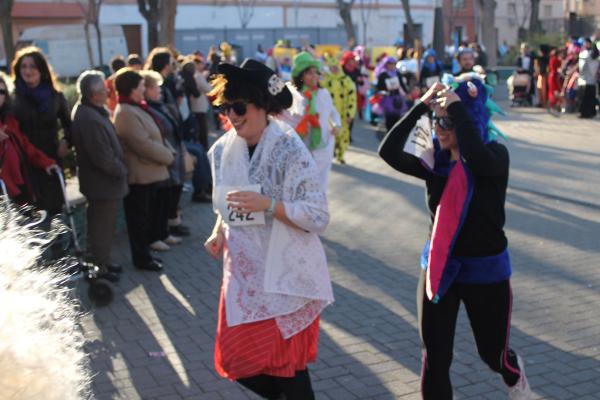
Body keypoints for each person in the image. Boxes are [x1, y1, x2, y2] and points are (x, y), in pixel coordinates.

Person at [379, 78, 532, 400]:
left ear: (468, 119)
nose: (440, 127)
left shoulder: (494, 156)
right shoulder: (435, 162)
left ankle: (513, 375)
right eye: (437, 120)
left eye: (447, 120)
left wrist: (458, 109)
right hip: (440, 268)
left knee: (493, 354)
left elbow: (475, 158)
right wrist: (422, 105)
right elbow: (388, 151)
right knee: (435, 358)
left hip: (485, 272)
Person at [204, 58, 333, 400]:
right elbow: (228, 201)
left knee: (288, 371)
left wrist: (270, 206)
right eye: (226, 107)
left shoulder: (289, 149)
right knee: (235, 360)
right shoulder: (222, 151)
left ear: (263, 105)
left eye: (239, 106)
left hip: (285, 279)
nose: (232, 116)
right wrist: (218, 230)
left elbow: (318, 214)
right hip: (244, 280)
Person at [113, 68, 174, 271]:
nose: (143, 88)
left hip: (148, 173)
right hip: (139, 175)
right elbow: (142, 144)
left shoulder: (136, 108)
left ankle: (146, 255)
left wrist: (167, 152)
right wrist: (167, 156)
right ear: (132, 89)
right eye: (140, 85)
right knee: (138, 221)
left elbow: (155, 136)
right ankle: (142, 259)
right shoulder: (125, 112)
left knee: (145, 217)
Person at [71, 70, 128, 280]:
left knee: (103, 227)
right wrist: (123, 171)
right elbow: (102, 158)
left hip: (103, 184)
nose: (107, 91)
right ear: (94, 94)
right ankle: (100, 268)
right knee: (100, 228)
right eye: (104, 89)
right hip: (101, 184)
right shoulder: (89, 118)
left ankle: (103, 261)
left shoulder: (92, 112)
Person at [10, 46, 71, 216]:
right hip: (25, 164)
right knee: (31, 216)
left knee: (55, 212)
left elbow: (69, 125)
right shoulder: (12, 99)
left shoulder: (55, 97)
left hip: (51, 159)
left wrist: (66, 141)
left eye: (32, 66)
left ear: (42, 70)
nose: (27, 71)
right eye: (23, 66)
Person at [140, 69, 185, 251]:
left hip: (171, 155)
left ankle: (163, 233)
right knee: (159, 201)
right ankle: (156, 235)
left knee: (167, 198)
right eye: (154, 88)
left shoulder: (158, 105)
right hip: (162, 159)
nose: (159, 91)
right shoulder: (147, 109)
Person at [0, 71, 59, 204]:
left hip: (19, 187)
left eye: (2, 92)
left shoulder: (9, 121)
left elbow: (26, 147)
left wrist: (46, 163)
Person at [291, 51, 341, 191]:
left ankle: (318, 209)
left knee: (321, 183)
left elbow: (334, 113)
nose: (315, 76)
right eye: (309, 73)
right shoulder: (295, 97)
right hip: (302, 146)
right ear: (301, 76)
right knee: (303, 183)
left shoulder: (323, 94)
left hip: (323, 144)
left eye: (316, 72)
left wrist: (337, 125)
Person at [322, 54, 357, 164]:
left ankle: (341, 155)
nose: (334, 69)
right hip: (329, 115)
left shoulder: (346, 80)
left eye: (336, 67)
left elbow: (352, 98)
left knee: (343, 135)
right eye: (332, 67)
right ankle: (332, 154)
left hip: (343, 114)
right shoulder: (326, 81)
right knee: (331, 135)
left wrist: (350, 114)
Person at [376, 56, 409, 132]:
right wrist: (383, 91)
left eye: (393, 64)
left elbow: (402, 85)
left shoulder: (397, 73)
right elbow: (379, 87)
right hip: (387, 99)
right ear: (386, 64)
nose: (392, 65)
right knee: (389, 118)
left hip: (397, 99)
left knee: (397, 118)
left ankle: (394, 134)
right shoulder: (383, 75)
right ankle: (388, 133)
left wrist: (407, 93)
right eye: (390, 64)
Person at [577, 38, 599, 118]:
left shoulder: (585, 54)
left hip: (584, 80)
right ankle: (591, 113)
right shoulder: (596, 55)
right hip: (592, 81)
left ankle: (584, 113)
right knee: (591, 98)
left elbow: (581, 67)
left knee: (584, 98)